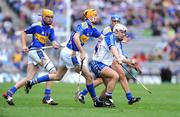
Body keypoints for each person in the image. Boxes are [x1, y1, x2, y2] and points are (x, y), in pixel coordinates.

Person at [25, 9, 107, 107]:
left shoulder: (92, 28)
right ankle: (95, 101)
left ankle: (31, 82)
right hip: (70, 54)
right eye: (95, 15)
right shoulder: (83, 26)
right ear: (90, 17)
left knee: (57, 76)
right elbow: (76, 37)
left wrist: (114, 41)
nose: (97, 17)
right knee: (89, 77)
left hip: (67, 53)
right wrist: (81, 51)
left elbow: (103, 38)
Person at [2, 9, 59, 106]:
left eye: (51, 17)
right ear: (43, 17)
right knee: (53, 72)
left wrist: (55, 44)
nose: (50, 19)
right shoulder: (36, 25)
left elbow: (53, 40)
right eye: (48, 17)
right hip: (36, 51)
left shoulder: (51, 28)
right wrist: (24, 45)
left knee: (28, 79)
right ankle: (47, 97)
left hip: (37, 52)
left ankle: (9, 93)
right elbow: (23, 33)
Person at [78, 23, 141, 105]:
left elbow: (121, 56)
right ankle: (108, 99)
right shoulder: (110, 37)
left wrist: (132, 62)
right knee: (115, 76)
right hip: (97, 63)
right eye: (122, 32)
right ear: (116, 31)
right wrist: (117, 58)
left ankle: (100, 101)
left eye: (124, 33)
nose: (124, 35)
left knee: (109, 86)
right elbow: (113, 49)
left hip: (104, 65)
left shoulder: (118, 42)